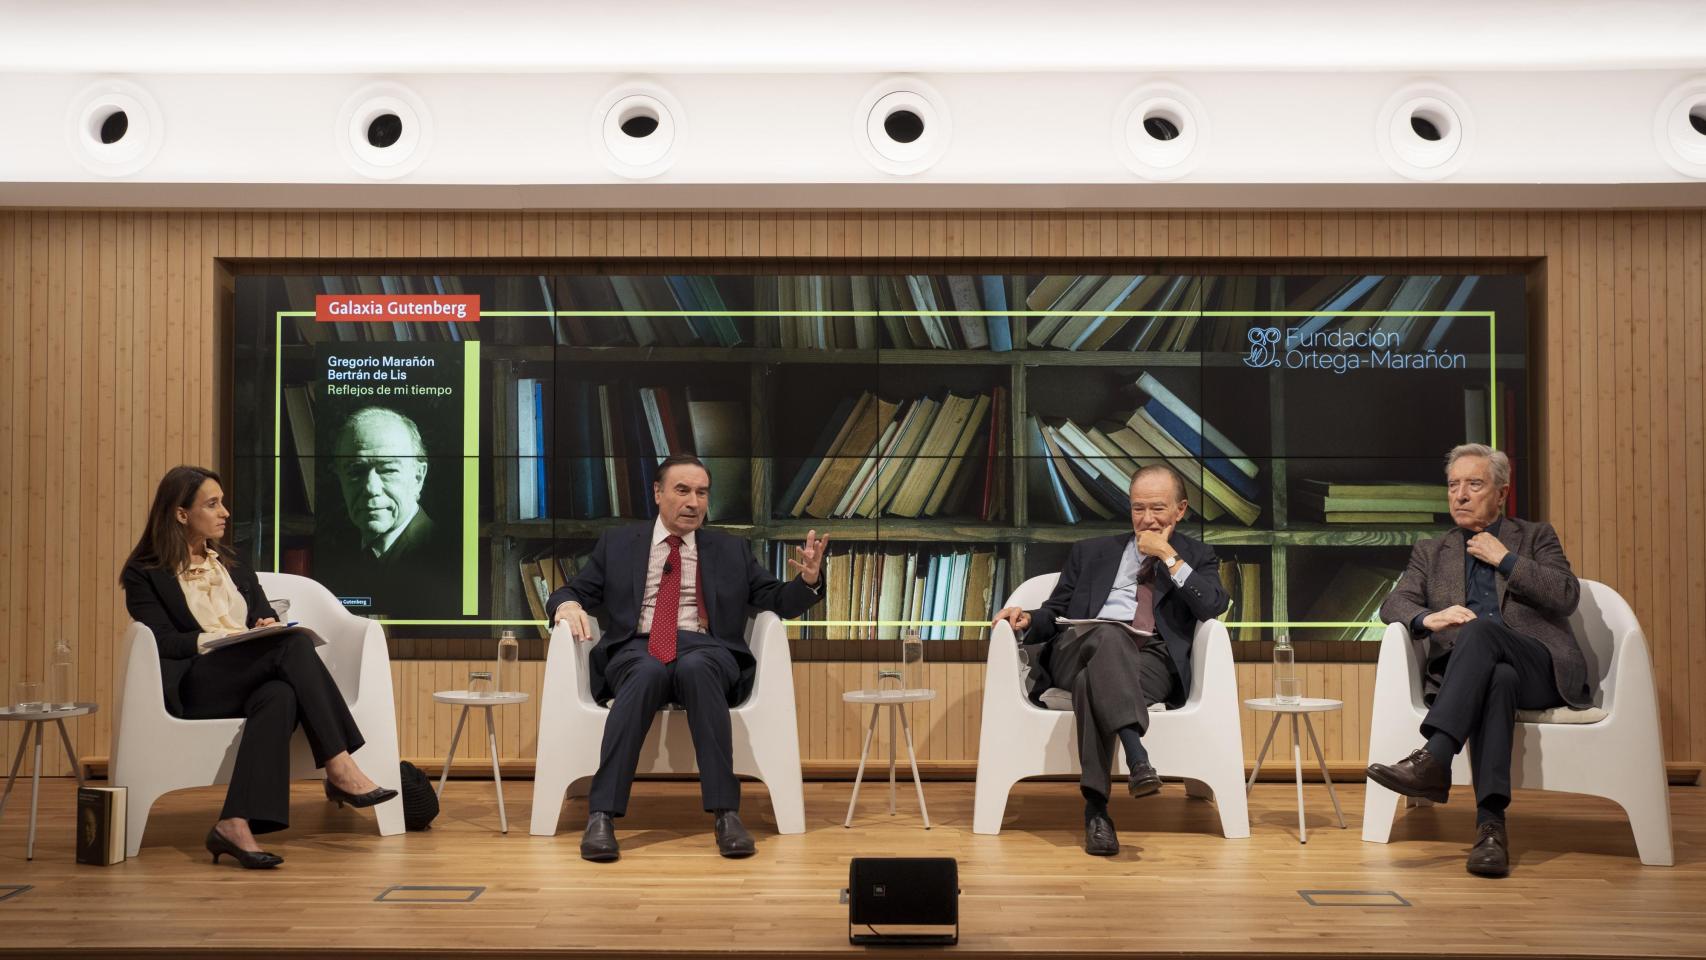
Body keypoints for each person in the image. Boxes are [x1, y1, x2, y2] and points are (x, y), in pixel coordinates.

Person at [549, 454, 826, 862]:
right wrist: (567, 605)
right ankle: (602, 816)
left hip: (706, 649)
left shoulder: (730, 549)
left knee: (697, 669)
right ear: (658, 494)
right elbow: (573, 590)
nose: (693, 502)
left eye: (701, 492)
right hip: (637, 648)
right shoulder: (619, 544)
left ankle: (727, 814)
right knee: (644, 673)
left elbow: (776, 600)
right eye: (682, 490)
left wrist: (808, 581)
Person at [121, 465, 398, 869]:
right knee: (293, 648)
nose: (225, 513)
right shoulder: (144, 573)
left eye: (223, 503)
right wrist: (216, 640)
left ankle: (234, 824)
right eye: (212, 504)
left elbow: (263, 614)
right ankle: (339, 764)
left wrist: (262, 626)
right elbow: (160, 640)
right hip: (195, 683)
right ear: (181, 514)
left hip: (245, 675)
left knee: (280, 693)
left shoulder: (231, 565)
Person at [1366, 443, 1592, 878]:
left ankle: (1435, 757)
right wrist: (1430, 617)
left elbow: (1566, 595)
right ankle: (1491, 830)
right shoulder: (1432, 551)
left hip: (1539, 667)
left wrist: (1505, 560)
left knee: (1487, 638)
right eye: (1453, 485)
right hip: (1479, 677)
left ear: (1502, 493)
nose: (1460, 495)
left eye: (1474, 484)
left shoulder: (1534, 536)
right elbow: (1394, 604)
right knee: (1497, 679)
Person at [992, 464, 1228, 856]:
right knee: (1107, 634)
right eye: (1138, 509)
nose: (1147, 519)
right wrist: (1030, 617)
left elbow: (1214, 605)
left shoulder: (1196, 556)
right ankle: (1137, 755)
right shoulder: (1092, 552)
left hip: (1150, 661)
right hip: (1079, 645)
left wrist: (1168, 556)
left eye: (1157, 508)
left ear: (1180, 510)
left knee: (1092, 682)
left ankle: (1096, 811)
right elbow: (1056, 611)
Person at [318, 406, 456, 616]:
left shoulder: (444, 558)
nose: (371, 488)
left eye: (389, 470)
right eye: (356, 471)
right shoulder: (337, 554)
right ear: (340, 478)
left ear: (418, 477)